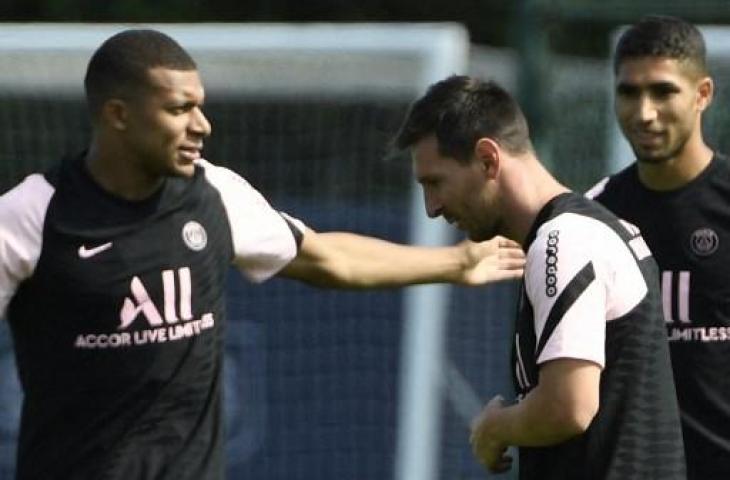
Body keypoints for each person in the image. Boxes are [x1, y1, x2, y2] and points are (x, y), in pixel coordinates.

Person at [0, 30, 526, 480]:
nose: (201, 124)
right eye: (179, 108)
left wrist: (456, 264)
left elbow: (326, 258)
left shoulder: (214, 195)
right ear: (117, 114)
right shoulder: (31, 216)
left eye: (200, 105)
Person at [395, 74, 686, 479]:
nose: (432, 207)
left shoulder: (563, 240)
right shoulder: (579, 231)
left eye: (435, 182)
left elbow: (569, 406)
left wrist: (495, 427)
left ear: (487, 159)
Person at [586, 15, 730, 480]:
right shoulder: (594, 217)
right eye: (629, 92)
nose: (644, 112)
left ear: (702, 94)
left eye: (663, 91)